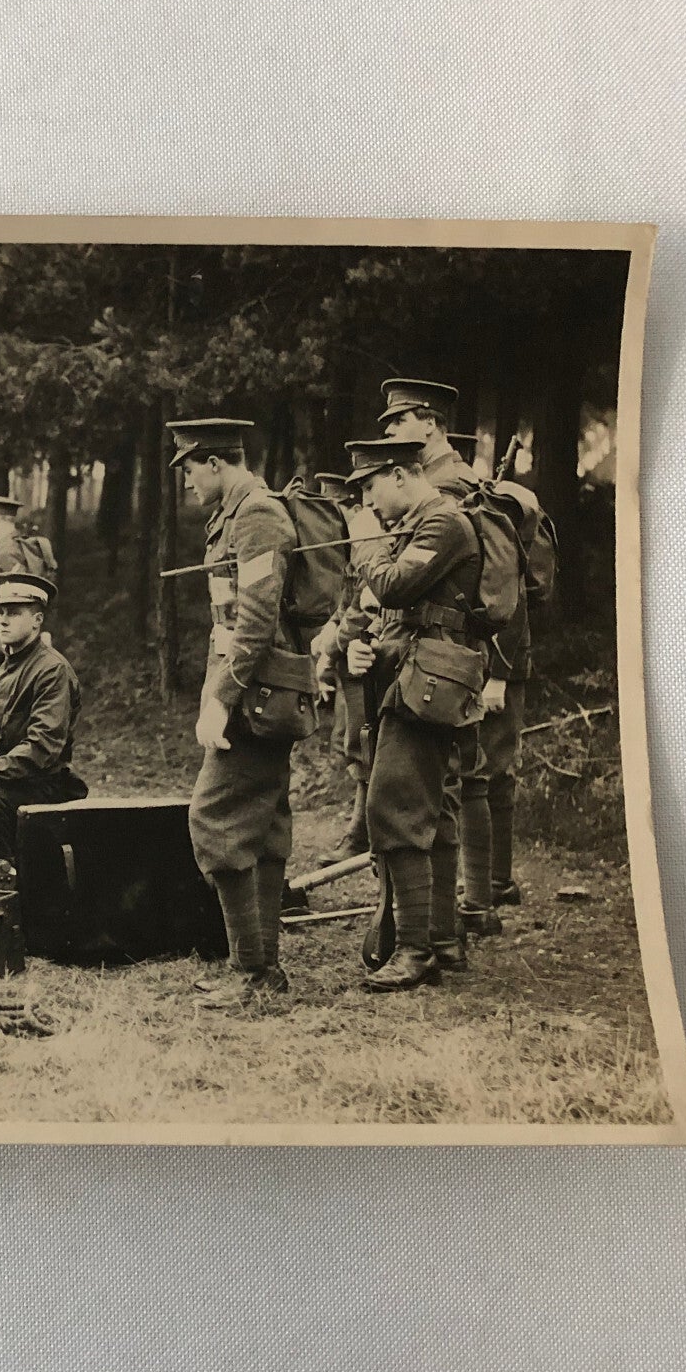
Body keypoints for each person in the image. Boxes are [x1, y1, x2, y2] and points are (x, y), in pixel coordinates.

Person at [342, 425, 487, 991]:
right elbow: (397, 611)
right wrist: (364, 645)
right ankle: (444, 940)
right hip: (412, 676)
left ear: (400, 474)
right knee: (431, 810)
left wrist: (364, 542)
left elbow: (395, 586)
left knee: (394, 806)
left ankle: (416, 949)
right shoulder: (414, 525)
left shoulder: (443, 521)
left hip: (427, 685)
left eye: (371, 486)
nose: (367, 501)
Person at [170, 418, 303, 999]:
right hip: (255, 687)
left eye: (190, 469)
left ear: (216, 463)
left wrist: (222, 700)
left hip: (259, 694)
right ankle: (263, 970)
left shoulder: (257, 515)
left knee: (214, 819)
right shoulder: (232, 514)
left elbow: (254, 621)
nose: (187, 483)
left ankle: (251, 971)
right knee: (266, 827)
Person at [449, 431, 535, 930]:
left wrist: (500, 676)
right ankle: (494, 882)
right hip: (487, 660)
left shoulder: (487, 509)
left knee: (489, 771)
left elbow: (512, 600)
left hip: (501, 661)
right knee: (487, 771)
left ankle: (489, 888)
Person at [0, 572, 86, 869]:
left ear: (37, 620)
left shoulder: (51, 670)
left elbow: (42, 748)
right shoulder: (12, 663)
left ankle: (4, 888)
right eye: (0, 612)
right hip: (21, 780)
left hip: (47, 784)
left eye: (14, 612)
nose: (3, 620)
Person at [308, 472, 370, 865]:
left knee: (364, 745)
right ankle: (360, 830)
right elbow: (344, 603)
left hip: (368, 656)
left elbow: (363, 608)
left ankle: (361, 834)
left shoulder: (368, 543)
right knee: (351, 741)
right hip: (350, 656)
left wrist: (331, 645)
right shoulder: (349, 548)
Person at [0, 492, 54, 669]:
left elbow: (17, 591)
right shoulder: (15, 542)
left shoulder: (7, 549)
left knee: (2, 667)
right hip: (13, 619)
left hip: (7, 619)